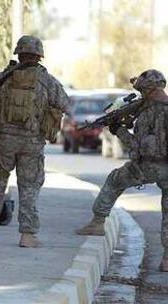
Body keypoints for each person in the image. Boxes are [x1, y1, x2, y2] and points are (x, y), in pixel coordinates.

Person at [0, 35, 70, 247]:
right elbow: (64, 103)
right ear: (39, 56)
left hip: (5, 141)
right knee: (29, 188)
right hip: (32, 142)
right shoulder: (46, 80)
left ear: (19, 53)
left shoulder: (5, 76)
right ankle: (27, 236)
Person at [75, 69, 168, 271]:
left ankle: (98, 222)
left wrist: (119, 130)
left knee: (114, 180)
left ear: (147, 89)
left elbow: (139, 146)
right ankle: (167, 259)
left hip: (148, 166)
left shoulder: (149, 112)